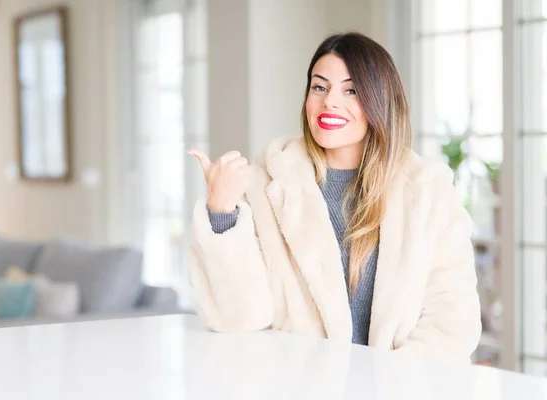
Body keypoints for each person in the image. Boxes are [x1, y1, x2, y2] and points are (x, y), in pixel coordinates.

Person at [187, 32, 481, 362]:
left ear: (379, 99)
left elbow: (452, 319)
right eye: (320, 86)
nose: (330, 101)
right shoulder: (264, 186)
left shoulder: (429, 192)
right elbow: (238, 319)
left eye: (351, 89)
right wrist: (222, 212)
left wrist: (391, 384)